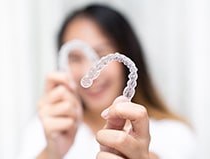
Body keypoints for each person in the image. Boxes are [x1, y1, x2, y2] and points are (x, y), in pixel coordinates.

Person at [19, 4, 196, 159]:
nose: (88, 72)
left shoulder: (173, 134)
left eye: (102, 54)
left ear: (126, 54)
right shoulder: (44, 130)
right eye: (75, 58)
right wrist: (51, 154)